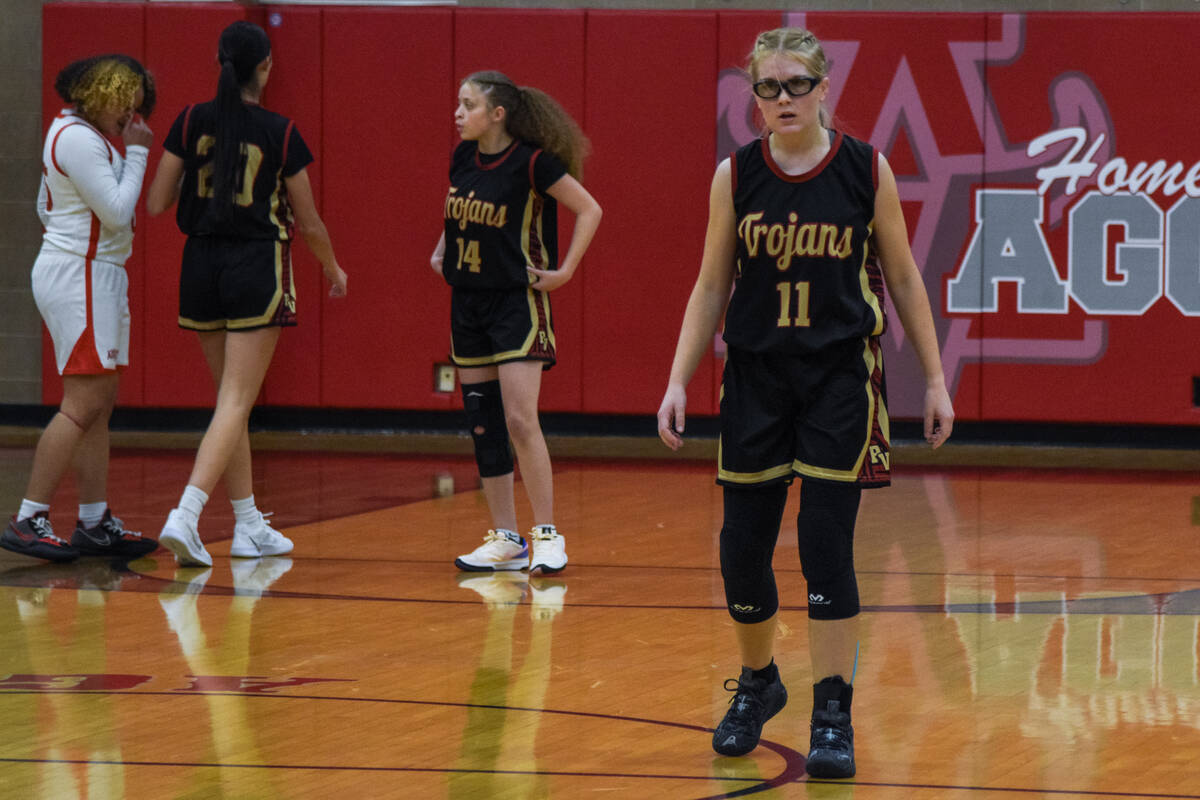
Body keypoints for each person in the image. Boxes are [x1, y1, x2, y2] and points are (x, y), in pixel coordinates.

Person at [656, 27, 954, 778]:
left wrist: (937, 377)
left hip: (838, 379)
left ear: (824, 90)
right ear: (752, 98)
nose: (782, 98)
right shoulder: (736, 176)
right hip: (755, 379)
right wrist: (676, 378)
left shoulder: (864, 169)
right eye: (768, 87)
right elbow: (710, 282)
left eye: (796, 85)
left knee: (826, 546)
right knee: (742, 553)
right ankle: (759, 682)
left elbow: (907, 279)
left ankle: (831, 710)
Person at [146, 20, 347, 567]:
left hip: (201, 265)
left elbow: (157, 203)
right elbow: (308, 222)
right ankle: (185, 516)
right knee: (236, 402)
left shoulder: (190, 120)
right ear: (265, 67)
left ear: (219, 63)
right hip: (256, 266)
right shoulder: (281, 132)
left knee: (228, 405)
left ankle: (248, 524)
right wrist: (332, 269)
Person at [432, 71, 601, 576]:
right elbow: (458, 209)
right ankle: (506, 538)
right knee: (484, 423)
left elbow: (589, 209)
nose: (458, 113)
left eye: (469, 104)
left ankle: (546, 534)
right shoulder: (463, 157)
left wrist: (565, 270)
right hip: (467, 304)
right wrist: (443, 247)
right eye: (458, 103)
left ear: (497, 113)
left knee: (520, 420)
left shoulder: (533, 163)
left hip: (516, 304)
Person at [1, 55, 159, 564]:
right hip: (81, 275)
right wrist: (137, 155)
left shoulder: (75, 135)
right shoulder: (76, 138)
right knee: (82, 404)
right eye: (127, 103)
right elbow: (116, 213)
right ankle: (28, 517)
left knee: (99, 404)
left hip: (93, 274)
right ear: (102, 93)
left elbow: (46, 208)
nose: (133, 116)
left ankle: (94, 522)